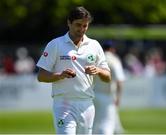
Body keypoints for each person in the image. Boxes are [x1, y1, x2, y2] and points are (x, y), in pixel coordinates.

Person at [36, 6, 111, 134]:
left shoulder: (94, 45)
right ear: (69, 23)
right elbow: (41, 76)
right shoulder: (55, 44)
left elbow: (107, 77)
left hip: (86, 104)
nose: (81, 29)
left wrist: (97, 70)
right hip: (63, 104)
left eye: (85, 26)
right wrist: (60, 75)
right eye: (78, 25)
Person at [93, 41, 125, 135]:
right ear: (112, 49)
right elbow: (120, 81)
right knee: (107, 124)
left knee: (94, 124)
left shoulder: (97, 59)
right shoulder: (114, 60)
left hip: (93, 95)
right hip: (107, 96)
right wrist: (118, 98)